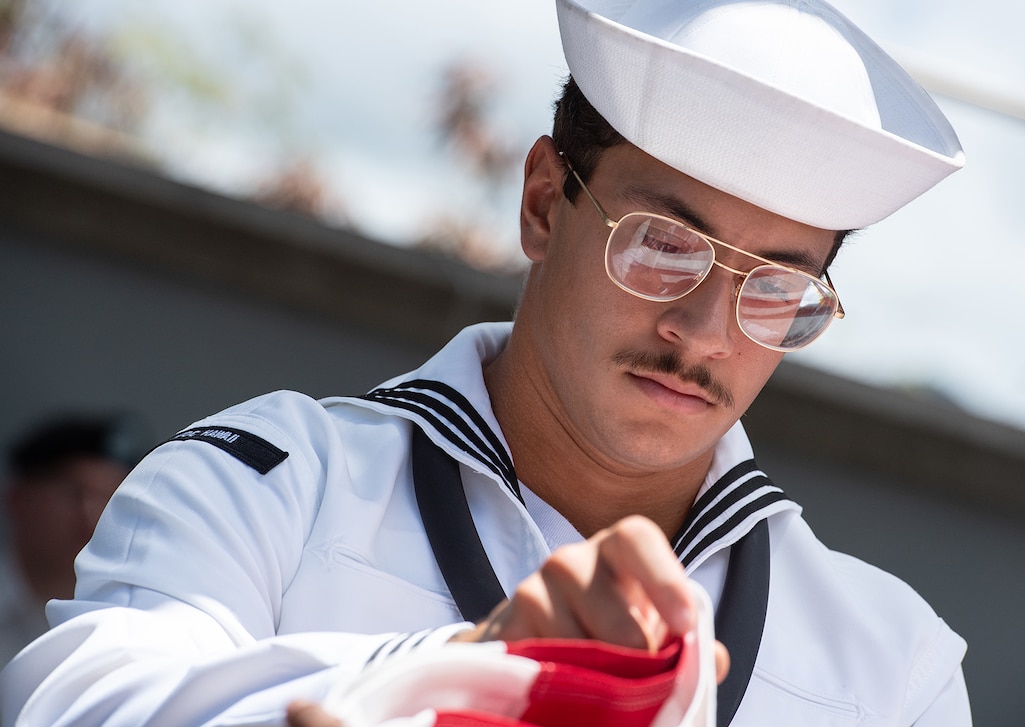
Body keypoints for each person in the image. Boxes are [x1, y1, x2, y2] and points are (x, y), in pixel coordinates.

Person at [0, 0, 972, 724]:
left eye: (773, 290)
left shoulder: (890, 666)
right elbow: (79, 701)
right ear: (544, 203)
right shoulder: (273, 480)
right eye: (661, 247)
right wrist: (458, 671)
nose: (706, 329)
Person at [0, 413, 149, 667]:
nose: (91, 518)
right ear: (18, 499)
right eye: (71, 495)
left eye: (110, 498)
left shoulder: (138, 622)